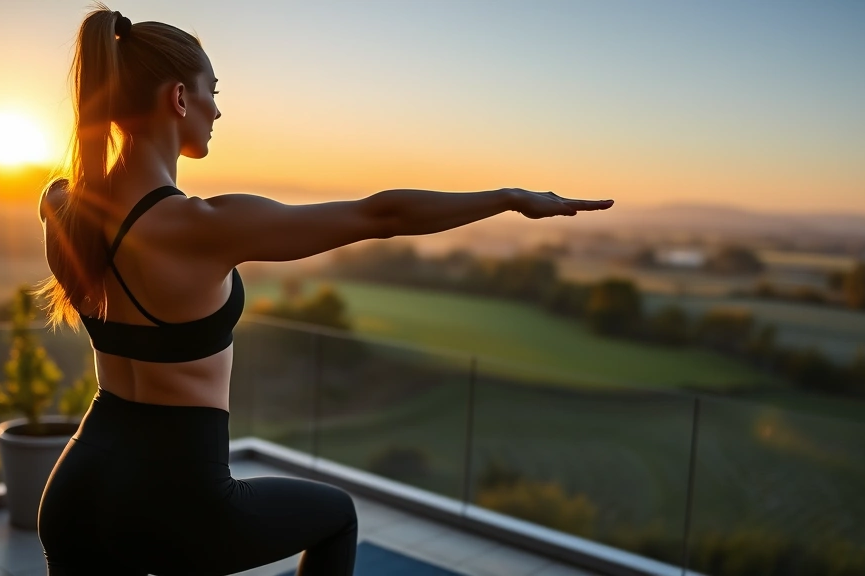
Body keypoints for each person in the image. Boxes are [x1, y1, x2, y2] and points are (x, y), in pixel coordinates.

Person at [34, 5, 614, 576]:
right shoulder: (204, 228)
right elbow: (378, 215)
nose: (218, 109)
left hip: (79, 488)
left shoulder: (63, 208)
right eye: (213, 89)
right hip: (177, 507)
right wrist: (510, 197)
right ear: (179, 99)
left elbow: (58, 200)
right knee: (336, 516)